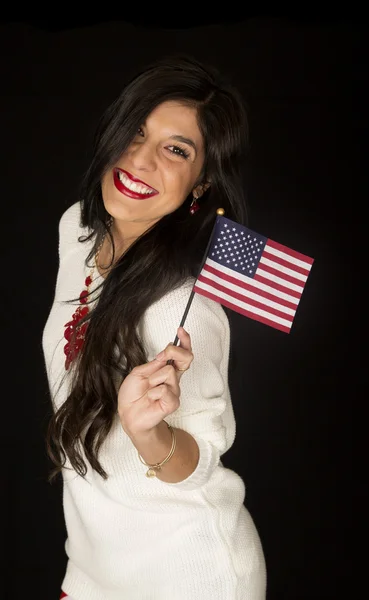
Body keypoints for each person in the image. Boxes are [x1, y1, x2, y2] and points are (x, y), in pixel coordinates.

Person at [42, 54, 267, 600]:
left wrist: (150, 433)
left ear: (200, 182)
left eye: (175, 150)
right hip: (94, 568)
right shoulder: (77, 227)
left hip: (189, 575)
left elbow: (198, 466)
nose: (139, 160)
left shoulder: (181, 307)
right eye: (136, 133)